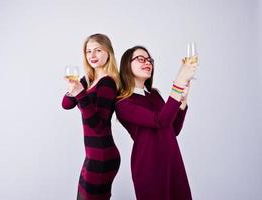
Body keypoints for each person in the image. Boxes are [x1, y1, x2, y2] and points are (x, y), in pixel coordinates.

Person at [115, 46, 196, 200]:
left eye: (149, 60)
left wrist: (183, 102)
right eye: (141, 59)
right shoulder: (123, 103)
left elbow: (173, 130)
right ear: (127, 65)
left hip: (172, 161)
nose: (148, 63)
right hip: (149, 165)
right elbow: (160, 120)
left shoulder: (154, 94)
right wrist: (177, 84)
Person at [61, 34, 121, 200]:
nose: (92, 55)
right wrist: (73, 88)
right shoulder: (88, 80)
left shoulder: (107, 83)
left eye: (98, 50)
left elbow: (98, 126)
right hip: (92, 156)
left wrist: (80, 93)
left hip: (102, 155)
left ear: (108, 53)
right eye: (88, 51)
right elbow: (66, 104)